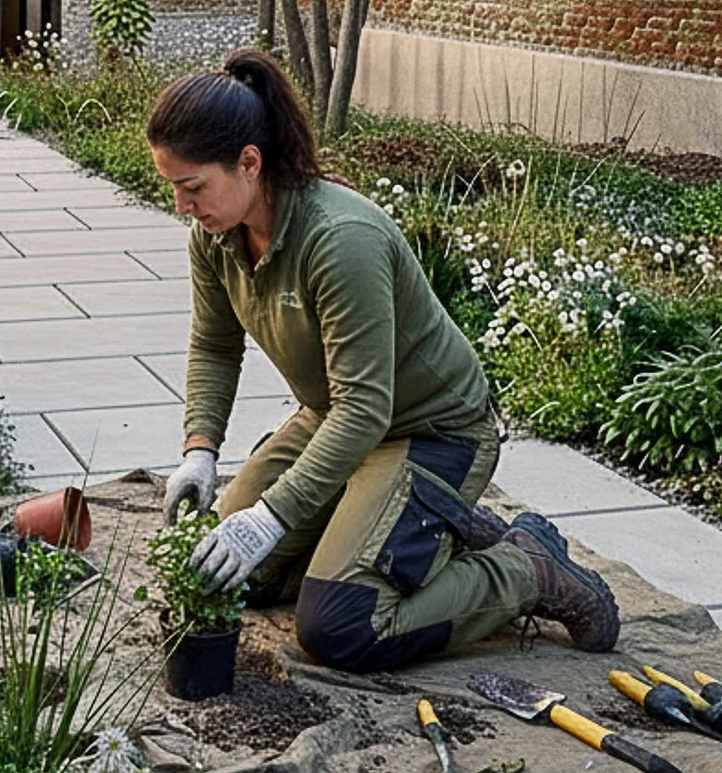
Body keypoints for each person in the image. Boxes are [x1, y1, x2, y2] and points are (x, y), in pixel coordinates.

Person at [149, 48, 620, 672]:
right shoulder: (216, 238)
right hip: (337, 419)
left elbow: (367, 407)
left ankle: (523, 568)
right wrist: (199, 453)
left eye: (192, 187)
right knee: (230, 576)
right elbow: (214, 345)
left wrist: (272, 514)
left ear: (249, 163)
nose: (182, 205)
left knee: (342, 626)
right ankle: (424, 532)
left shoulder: (342, 240)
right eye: (173, 188)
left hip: (432, 431)